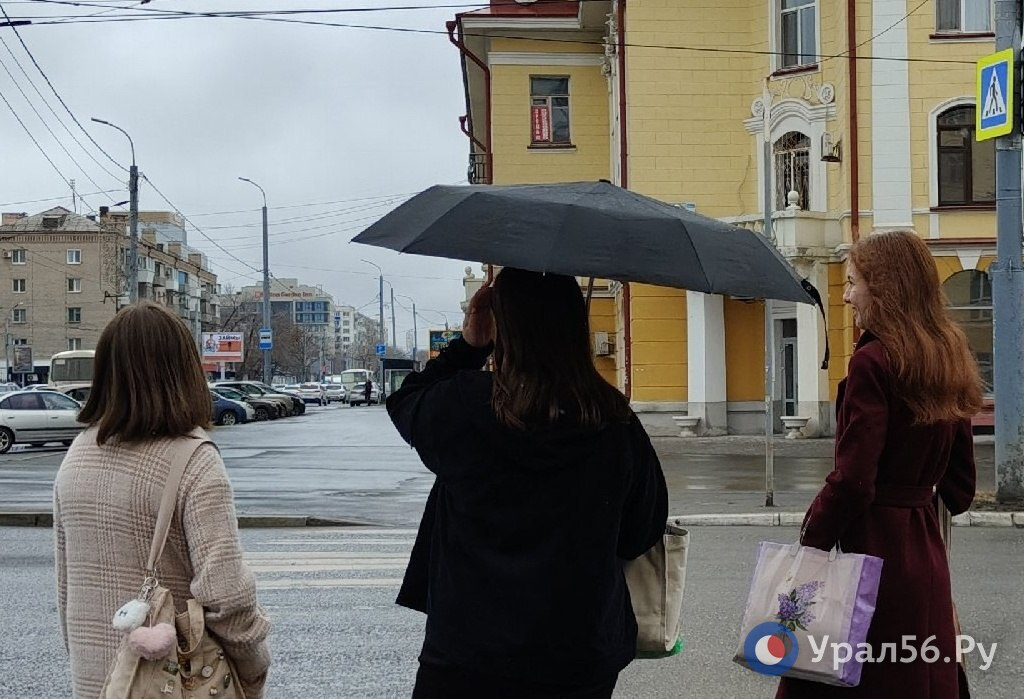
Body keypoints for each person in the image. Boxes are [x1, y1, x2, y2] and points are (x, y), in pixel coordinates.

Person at [387, 268, 668, 699]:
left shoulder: (462, 405)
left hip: (466, 654)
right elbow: (641, 531)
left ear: (503, 329)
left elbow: (406, 400)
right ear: (575, 329)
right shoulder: (614, 421)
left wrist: (468, 346)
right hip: (577, 656)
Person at [779, 231, 982, 699]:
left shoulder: (873, 362)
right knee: (917, 674)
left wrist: (812, 540)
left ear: (884, 287)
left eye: (854, 283)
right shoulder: (949, 355)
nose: (846, 295)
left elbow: (853, 480)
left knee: (850, 676)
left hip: (869, 554)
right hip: (924, 555)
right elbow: (961, 489)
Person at [54, 302, 271, 698]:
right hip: (174, 682)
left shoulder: (78, 453)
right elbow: (227, 598)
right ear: (183, 369)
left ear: (106, 371)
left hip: (97, 681)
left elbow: (66, 583)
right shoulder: (194, 459)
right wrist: (254, 667)